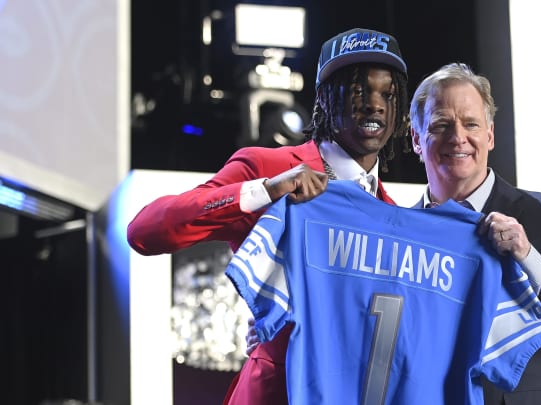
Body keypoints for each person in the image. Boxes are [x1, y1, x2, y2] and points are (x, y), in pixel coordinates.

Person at [125, 27, 411, 405]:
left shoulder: (395, 217)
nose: (375, 104)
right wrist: (265, 190)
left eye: (388, 94)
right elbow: (145, 230)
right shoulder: (269, 168)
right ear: (324, 98)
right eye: (359, 90)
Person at [409, 62, 541, 404]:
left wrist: (529, 258)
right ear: (417, 139)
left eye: (471, 124)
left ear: (489, 135)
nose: (457, 136)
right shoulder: (402, 234)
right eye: (441, 124)